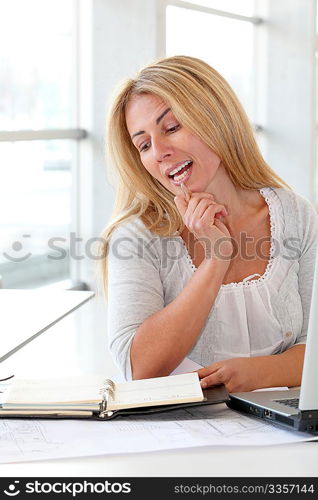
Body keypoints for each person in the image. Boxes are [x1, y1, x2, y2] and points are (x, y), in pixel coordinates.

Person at [100, 55, 318, 392]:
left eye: (171, 127)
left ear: (215, 118)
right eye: (144, 144)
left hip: (285, 430)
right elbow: (139, 368)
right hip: (178, 434)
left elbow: (314, 347)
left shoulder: (295, 215)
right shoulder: (137, 236)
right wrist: (216, 261)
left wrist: (255, 374)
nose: (159, 152)